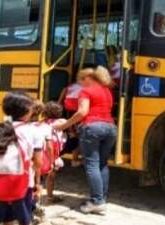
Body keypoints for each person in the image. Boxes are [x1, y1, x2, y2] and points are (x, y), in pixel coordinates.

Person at [55, 65, 117, 214]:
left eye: (80, 81)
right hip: (110, 128)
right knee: (102, 164)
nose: (80, 84)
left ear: (87, 78)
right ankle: (101, 198)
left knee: (92, 165)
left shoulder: (86, 91)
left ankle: (97, 201)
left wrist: (65, 125)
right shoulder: (107, 91)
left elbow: (82, 112)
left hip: (92, 128)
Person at [0, 92, 43, 225]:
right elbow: (38, 162)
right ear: (27, 110)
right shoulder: (34, 131)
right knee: (17, 221)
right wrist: (38, 183)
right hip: (22, 185)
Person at [41, 102, 67, 204]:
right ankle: (50, 197)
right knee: (51, 177)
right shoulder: (61, 121)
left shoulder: (42, 123)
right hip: (53, 152)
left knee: (36, 176)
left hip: (41, 151)